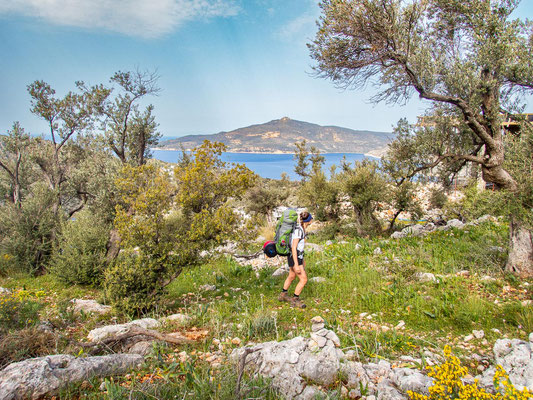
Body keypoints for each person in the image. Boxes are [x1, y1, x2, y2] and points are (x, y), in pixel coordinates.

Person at [278, 211, 313, 308]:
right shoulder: (299, 230)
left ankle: (283, 295)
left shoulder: (301, 229)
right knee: (303, 279)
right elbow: (294, 247)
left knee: (292, 275)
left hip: (296, 256)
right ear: (309, 220)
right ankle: (295, 300)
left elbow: (300, 247)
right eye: (311, 218)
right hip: (295, 256)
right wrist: (297, 264)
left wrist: (303, 260)